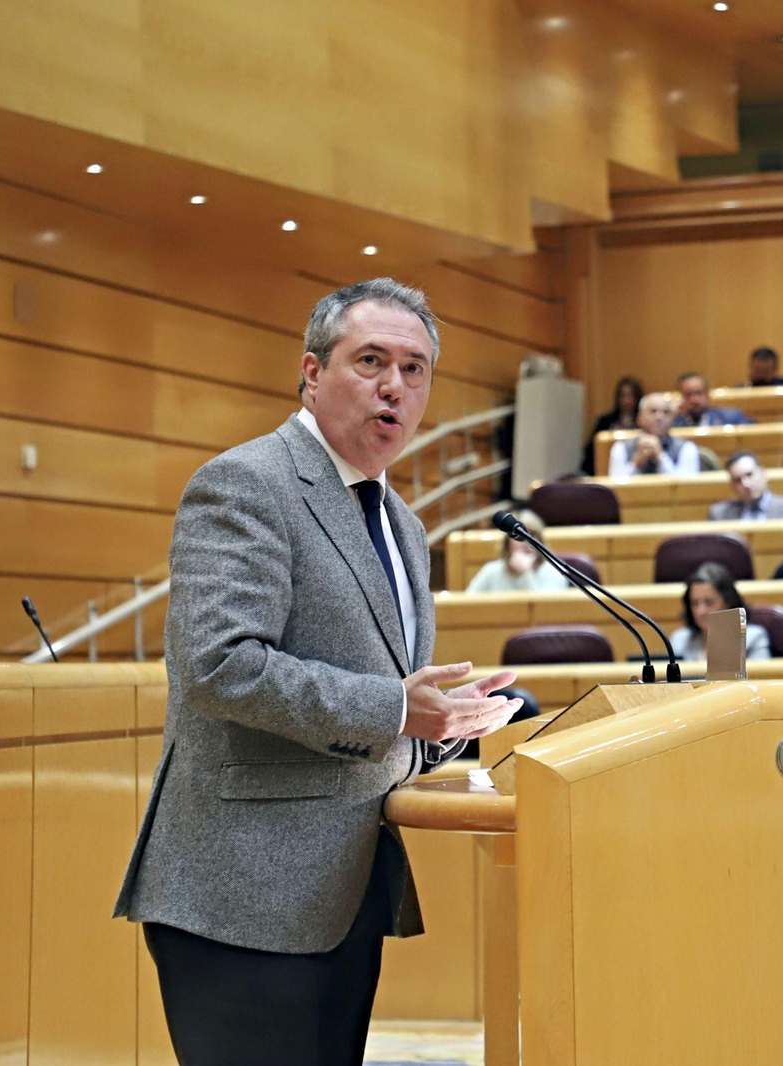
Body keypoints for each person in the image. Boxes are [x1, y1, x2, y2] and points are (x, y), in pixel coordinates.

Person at [114, 279, 524, 1065]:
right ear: (310, 372)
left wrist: (444, 724)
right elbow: (217, 665)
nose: (393, 386)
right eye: (370, 360)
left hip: (343, 889)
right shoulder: (249, 483)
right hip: (242, 894)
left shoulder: (401, 521)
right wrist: (397, 711)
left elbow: (383, 700)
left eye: (414, 370)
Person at [670, 562, 771, 660]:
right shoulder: (680, 640)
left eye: (709, 603)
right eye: (695, 603)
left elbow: (759, 675)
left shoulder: (752, 639)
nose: (701, 611)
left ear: (728, 602)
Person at [466, 509, 572, 592]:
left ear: (540, 541)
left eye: (531, 536)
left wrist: (526, 575)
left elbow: (547, 613)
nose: (525, 544)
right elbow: (466, 607)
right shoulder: (491, 571)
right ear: (508, 544)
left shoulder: (554, 571)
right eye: (518, 538)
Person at [608, 392, 702, 479]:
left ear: (673, 420)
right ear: (639, 418)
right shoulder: (621, 448)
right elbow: (615, 490)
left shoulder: (687, 448)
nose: (659, 417)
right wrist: (636, 463)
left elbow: (685, 489)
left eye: (666, 412)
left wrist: (661, 458)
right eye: (653, 411)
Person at [709, 452, 783, 521]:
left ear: (763, 473)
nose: (746, 484)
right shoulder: (719, 515)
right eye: (738, 480)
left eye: (749, 475)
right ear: (732, 486)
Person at [581, 375, 643, 474]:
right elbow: (591, 452)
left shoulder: (644, 422)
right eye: (623, 396)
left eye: (631, 396)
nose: (627, 400)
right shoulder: (605, 421)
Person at [674, 371, 752, 428]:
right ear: (682, 397)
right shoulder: (675, 424)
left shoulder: (732, 418)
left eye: (698, 393)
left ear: (707, 394)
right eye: (688, 395)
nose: (694, 399)